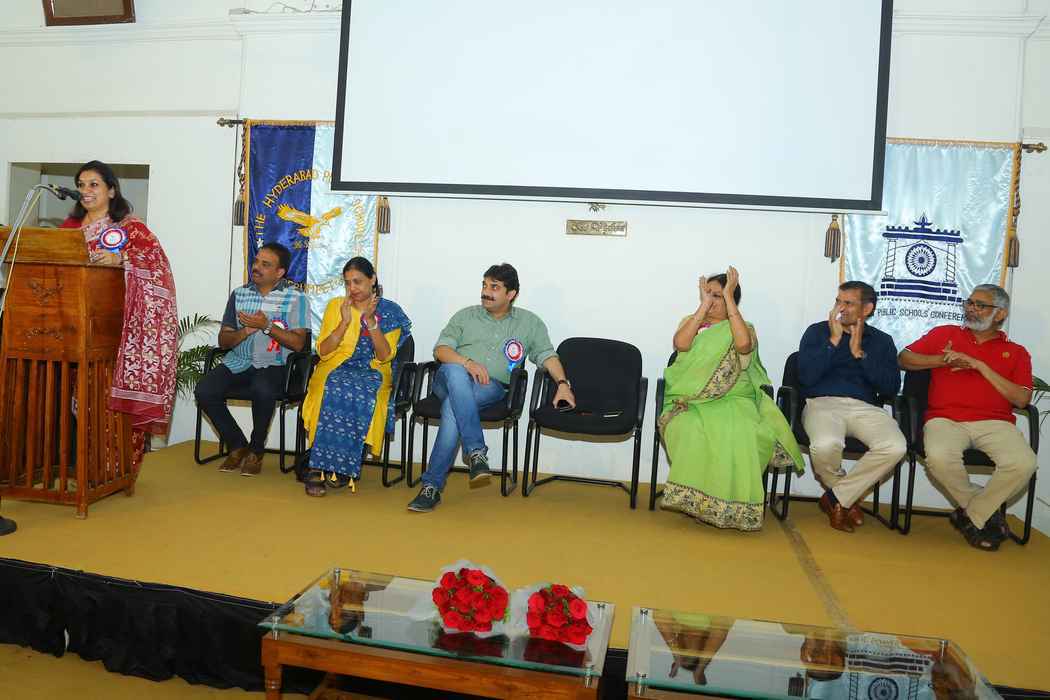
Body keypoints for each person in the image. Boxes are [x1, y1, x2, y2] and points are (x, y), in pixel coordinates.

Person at [406, 263, 575, 512]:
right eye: (484, 285)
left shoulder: (529, 323)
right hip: (448, 379)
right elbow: (441, 350)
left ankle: (431, 487)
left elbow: (547, 355)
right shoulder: (466, 316)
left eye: (494, 287)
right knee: (455, 373)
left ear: (511, 294)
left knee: (453, 407)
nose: (486, 291)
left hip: (490, 387)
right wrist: (467, 363)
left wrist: (562, 383)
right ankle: (476, 450)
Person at [659, 268, 804, 531]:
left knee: (740, 430)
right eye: (708, 294)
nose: (712, 300)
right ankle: (698, 502)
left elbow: (743, 346)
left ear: (731, 299)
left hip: (734, 397)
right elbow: (681, 344)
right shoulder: (690, 322)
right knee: (689, 427)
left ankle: (730, 507)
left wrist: (729, 301)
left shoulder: (744, 328)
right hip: (689, 399)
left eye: (719, 296)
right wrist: (702, 308)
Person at [899, 284, 1036, 552]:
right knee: (939, 458)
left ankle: (971, 515)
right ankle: (983, 513)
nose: (971, 309)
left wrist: (980, 366)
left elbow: (1021, 400)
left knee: (1024, 463)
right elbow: (904, 359)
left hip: (995, 423)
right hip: (945, 418)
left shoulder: (1016, 352)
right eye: (970, 303)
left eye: (980, 305)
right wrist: (943, 361)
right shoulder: (945, 334)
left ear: (1000, 314)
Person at [62, 160, 178, 468]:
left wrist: (123, 259)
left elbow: (157, 266)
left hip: (117, 333)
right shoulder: (68, 230)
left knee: (111, 406)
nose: (85, 190)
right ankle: (85, 469)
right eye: (81, 185)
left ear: (112, 190)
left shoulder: (130, 228)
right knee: (80, 401)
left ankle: (118, 470)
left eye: (94, 184)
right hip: (73, 328)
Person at [797, 281, 905, 533]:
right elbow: (805, 378)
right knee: (825, 445)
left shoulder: (882, 341)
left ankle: (835, 499)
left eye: (848, 303)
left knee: (895, 446)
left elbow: (890, 387)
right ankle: (847, 499)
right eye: (838, 301)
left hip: (865, 407)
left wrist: (861, 355)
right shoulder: (817, 332)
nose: (840, 308)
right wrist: (833, 341)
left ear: (867, 309)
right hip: (822, 403)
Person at [299, 257, 411, 497]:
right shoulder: (336, 306)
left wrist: (371, 323)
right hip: (334, 365)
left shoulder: (390, 311)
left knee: (358, 390)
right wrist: (344, 323)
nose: (352, 288)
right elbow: (323, 351)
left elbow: (384, 356)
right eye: (348, 283)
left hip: (374, 370)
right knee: (330, 386)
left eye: (358, 281)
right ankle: (318, 466)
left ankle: (340, 466)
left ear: (373, 280)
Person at [194, 242, 308, 476]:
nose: (256, 267)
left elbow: (298, 344)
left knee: (263, 388)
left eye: (265, 264)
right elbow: (224, 341)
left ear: (280, 272)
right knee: (205, 390)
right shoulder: (239, 294)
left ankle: (256, 450)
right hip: (239, 361)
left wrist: (266, 326)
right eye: (256, 261)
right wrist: (245, 331)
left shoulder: (296, 298)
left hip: (275, 364)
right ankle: (237, 445)